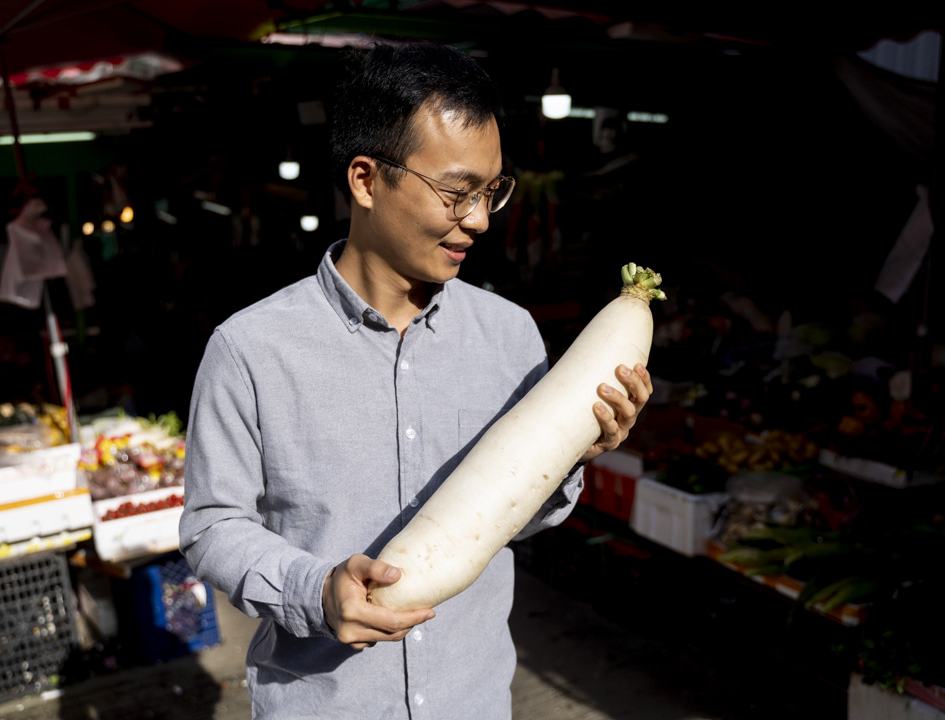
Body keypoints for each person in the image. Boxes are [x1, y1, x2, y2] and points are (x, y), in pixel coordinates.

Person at [180, 41, 653, 719]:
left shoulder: (510, 335)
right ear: (366, 180)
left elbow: (517, 516)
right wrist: (313, 590)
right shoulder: (251, 349)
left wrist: (576, 454)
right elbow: (211, 526)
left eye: (493, 191)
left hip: (474, 698)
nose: (481, 219)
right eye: (458, 192)